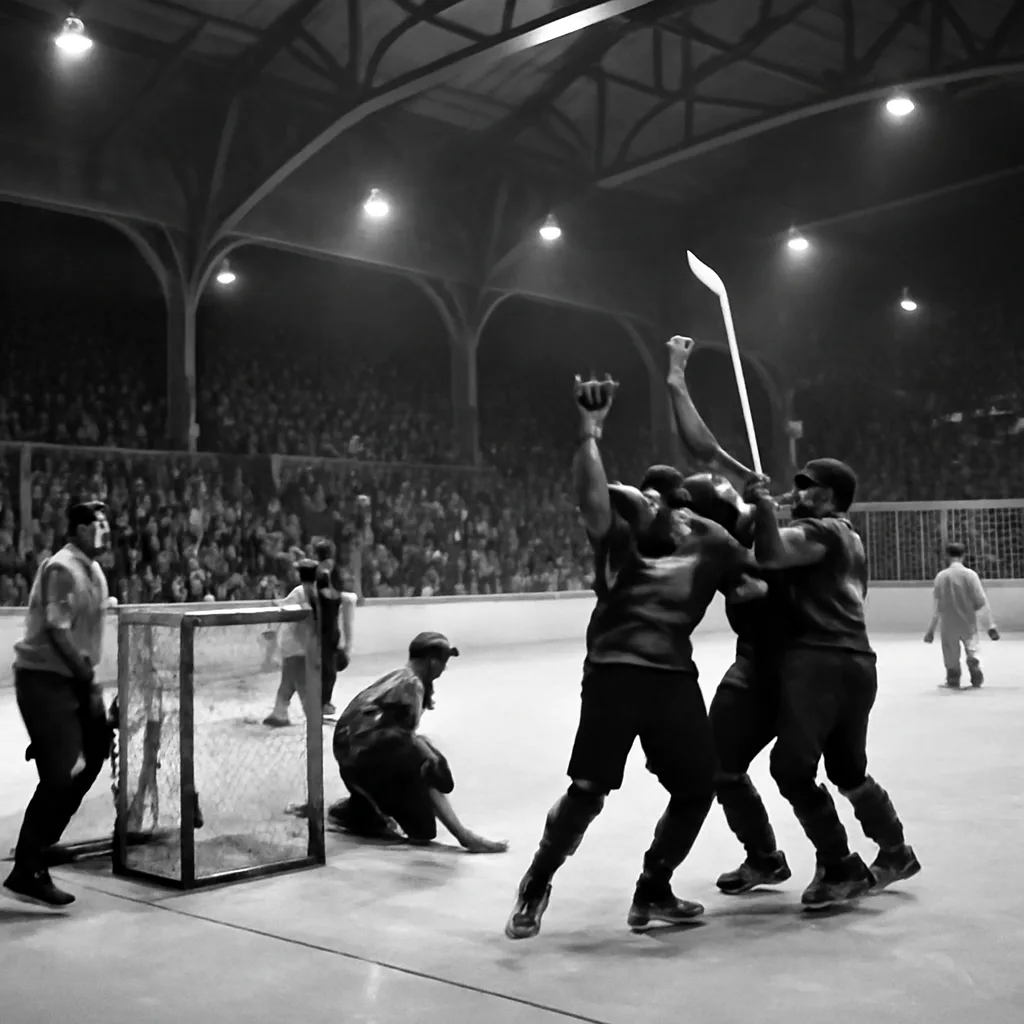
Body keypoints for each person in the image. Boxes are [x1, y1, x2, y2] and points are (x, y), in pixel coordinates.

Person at [505, 373, 755, 941]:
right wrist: (588, 432)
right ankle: (537, 883)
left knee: (696, 786)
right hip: (616, 673)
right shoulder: (623, 533)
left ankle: (652, 889)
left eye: (655, 497)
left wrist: (755, 500)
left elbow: (759, 574)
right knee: (589, 791)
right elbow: (592, 500)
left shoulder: (711, 541)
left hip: (671, 679)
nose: (643, 501)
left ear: (678, 505)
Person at [747, 460, 920, 909]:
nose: (797, 491)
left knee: (790, 767)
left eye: (807, 486)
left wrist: (763, 508)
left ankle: (838, 866)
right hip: (857, 661)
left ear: (832, 497)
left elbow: (770, 554)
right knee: (848, 771)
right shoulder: (852, 540)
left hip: (820, 660)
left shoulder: (823, 532)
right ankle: (896, 851)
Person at [663, 336, 792, 894]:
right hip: (756, 664)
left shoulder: (760, 523)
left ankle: (859, 858)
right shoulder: (730, 534)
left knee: (816, 771)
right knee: (721, 764)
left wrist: (676, 378)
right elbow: (706, 457)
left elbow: (707, 455)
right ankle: (764, 856)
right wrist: (675, 377)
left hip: (796, 662)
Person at [4, 501, 114, 908]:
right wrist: (85, 679)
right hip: (46, 680)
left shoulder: (94, 570)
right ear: (83, 530)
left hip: (77, 679)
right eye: (100, 526)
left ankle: (43, 840)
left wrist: (89, 682)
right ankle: (27, 868)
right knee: (61, 774)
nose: (106, 533)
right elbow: (56, 629)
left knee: (97, 750)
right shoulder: (61, 568)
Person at [329, 632, 507, 854]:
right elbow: (405, 739)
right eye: (443, 662)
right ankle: (464, 836)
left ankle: (360, 809)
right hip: (362, 759)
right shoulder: (410, 684)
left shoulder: (401, 677)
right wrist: (430, 758)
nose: (444, 669)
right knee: (423, 765)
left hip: (355, 758)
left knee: (420, 760)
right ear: (432, 661)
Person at [924, 542, 999, 688]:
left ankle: (953, 678)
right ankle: (974, 659)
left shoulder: (941, 577)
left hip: (948, 624)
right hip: (968, 622)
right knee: (972, 645)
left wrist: (930, 631)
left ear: (946, 556)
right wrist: (990, 626)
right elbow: (981, 601)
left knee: (950, 652)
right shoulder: (971, 575)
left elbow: (937, 607)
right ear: (963, 555)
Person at [263, 559, 322, 727]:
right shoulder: (316, 592)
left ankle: (312, 716)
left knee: (300, 682)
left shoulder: (299, 591)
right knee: (289, 680)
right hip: (306, 644)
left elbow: (283, 610)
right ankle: (279, 712)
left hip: (294, 645)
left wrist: (274, 607)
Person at [313, 539, 355, 718]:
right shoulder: (325, 574)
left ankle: (321, 702)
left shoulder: (321, 574)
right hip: (326, 628)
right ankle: (322, 703)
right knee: (328, 669)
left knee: (327, 667)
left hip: (325, 627)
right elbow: (328, 596)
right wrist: (342, 597)